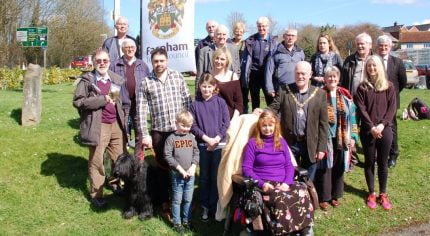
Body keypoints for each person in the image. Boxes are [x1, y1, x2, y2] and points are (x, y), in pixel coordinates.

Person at [136, 48, 192, 219]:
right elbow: (140, 110)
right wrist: (145, 134)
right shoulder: (146, 82)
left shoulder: (177, 76)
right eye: (155, 61)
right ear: (151, 62)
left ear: (167, 61)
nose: (159, 64)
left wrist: (189, 125)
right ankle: (165, 202)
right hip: (159, 131)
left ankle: (183, 199)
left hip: (179, 131)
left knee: (182, 165)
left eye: (161, 60)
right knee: (162, 167)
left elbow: (187, 101)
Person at [242, 110, 313, 234]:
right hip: (265, 183)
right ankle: (283, 231)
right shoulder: (252, 144)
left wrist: (287, 182)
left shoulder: (281, 142)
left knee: (302, 191)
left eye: (270, 125)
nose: (267, 129)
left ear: (275, 126)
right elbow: (246, 168)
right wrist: (261, 184)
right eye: (264, 125)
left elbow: (289, 165)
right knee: (280, 198)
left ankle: (304, 228)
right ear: (259, 126)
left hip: (284, 182)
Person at [73, 50, 126, 208]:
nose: (102, 63)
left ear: (109, 61)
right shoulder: (87, 80)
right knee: (97, 161)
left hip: (116, 124)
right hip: (98, 125)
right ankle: (96, 194)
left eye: (105, 60)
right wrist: (101, 100)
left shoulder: (115, 79)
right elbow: (78, 102)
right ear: (94, 63)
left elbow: (120, 101)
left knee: (119, 159)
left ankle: (115, 184)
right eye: (98, 61)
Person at [259, 61, 328, 181]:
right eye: (297, 73)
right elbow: (273, 108)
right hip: (289, 143)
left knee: (308, 180)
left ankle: (307, 197)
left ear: (310, 74)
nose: (300, 76)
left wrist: (321, 147)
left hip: (310, 144)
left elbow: (323, 124)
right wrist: (261, 112)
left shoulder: (320, 94)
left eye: (303, 74)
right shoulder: (284, 90)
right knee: (288, 177)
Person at [354, 55, 396, 211]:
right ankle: (371, 192)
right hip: (368, 131)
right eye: (369, 66)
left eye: (374, 65)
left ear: (379, 67)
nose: (371, 68)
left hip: (385, 130)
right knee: (370, 162)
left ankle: (383, 193)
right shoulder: (362, 87)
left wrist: (382, 125)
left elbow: (392, 108)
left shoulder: (389, 86)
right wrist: (371, 127)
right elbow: (362, 109)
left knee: (383, 163)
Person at [316, 66, 358, 211]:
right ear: (325, 79)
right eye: (329, 76)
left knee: (339, 166)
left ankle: (335, 195)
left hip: (342, 138)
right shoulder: (319, 94)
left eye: (334, 76)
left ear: (338, 79)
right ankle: (324, 197)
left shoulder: (346, 96)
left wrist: (353, 136)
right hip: (325, 137)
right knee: (325, 167)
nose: (332, 79)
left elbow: (352, 117)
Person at [190, 73, 230, 221]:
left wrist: (217, 138)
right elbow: (193, 126)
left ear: (214, 87)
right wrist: (207, 139)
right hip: (203, 145)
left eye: (209, 86)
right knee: (204, 177)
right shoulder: (195, 105)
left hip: (219, 145)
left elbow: (226, 122)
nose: (206, 89)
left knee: (215, 177)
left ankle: (215, 207)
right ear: (199, 87)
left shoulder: (220, 102)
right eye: (203, 86)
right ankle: (205, 206)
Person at [109, 38, 150, 159]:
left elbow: (148, 83)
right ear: (122, 49)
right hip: (122, 104)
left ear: (136, 49)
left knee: (140, 133)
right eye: (127, 47)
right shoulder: (115, 65)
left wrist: (147, 102)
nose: (130, 49)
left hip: (139, 104)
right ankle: (123, 160)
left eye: (132, 47)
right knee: (122, 132)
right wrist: (112, 102)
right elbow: (112, 85)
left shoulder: (142, 65)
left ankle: (138, 161)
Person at [164, 111, 199, 233]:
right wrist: (180, 169)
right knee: (177, 200)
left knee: (188, 199)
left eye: (188, 126)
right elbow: (168, 156)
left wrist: (193, 166)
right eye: (183, 125)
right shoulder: (171, 139)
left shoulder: (191, 138)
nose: (185, 129)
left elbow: (196, 152)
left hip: (190, 175)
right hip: (177, 175)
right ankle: (177, 223)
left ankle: (187, 221)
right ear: (176, 123)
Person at [376, 35, 407, 168]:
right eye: (381, 46)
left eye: (386, 46)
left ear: (390, 47)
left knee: (391, 126)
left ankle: (393, 154)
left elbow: (403, 82)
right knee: (378, 125)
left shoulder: (397, 62)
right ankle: (380, 152)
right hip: (376, 100)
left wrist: (392, 96)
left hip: (391, 101)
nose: (383, 48)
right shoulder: (374, 60)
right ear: (377, 47)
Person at [241, 16, 278, 112]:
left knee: (270, 100)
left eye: (264, 26)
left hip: (268, 75)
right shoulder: (251, 40)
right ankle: (255, 123)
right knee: (255, 102)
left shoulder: (274, 41)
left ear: (268, 26)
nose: (261, 28)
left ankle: (271, 121)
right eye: (259, 26)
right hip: (254, 74)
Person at [265, 28, 305, 100]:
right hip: (280, 88)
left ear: (296, 38)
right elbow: (269, 71)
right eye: (288, 35)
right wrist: (270, 88)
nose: (290, 38)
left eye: (293, 36)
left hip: (297, 88)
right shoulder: (275, 51)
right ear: (284, 36)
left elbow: (304, 71)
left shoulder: (300, 52)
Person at [211, 48, 243, 119]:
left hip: (230, 117)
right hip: (211, 117)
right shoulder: (208, 76)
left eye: (222, 59)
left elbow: (239, 103)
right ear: (213, 59)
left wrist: (234, 120)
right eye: (217, 58)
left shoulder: (233, 76)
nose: (219, 61)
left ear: (227, 61)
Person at [341, 32, 373, 97]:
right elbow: (343, 80)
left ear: (370, 45)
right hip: (352, 98)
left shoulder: (376, 60)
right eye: (358, 44)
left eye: (362, 44)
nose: (359, 46)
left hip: (370, 97)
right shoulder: (349, 60)